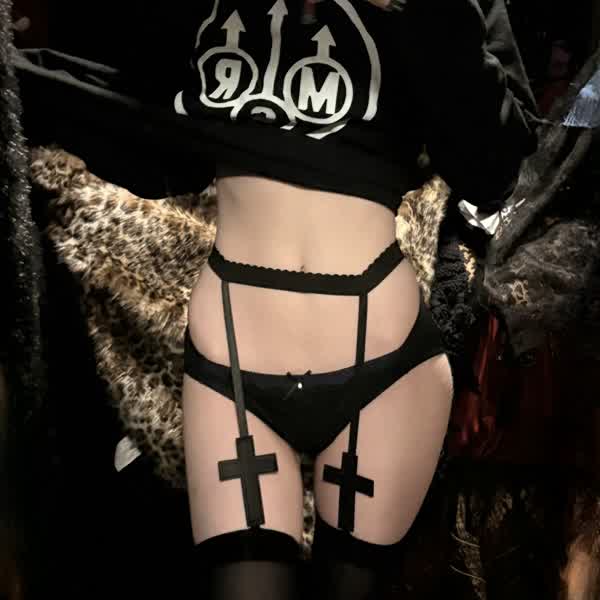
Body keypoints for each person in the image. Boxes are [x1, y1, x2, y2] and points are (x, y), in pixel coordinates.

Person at [177, 0, 539, 598]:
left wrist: (422, 11)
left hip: (384, 368)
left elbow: (495, 169)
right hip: (230, 361)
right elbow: (135, 103)